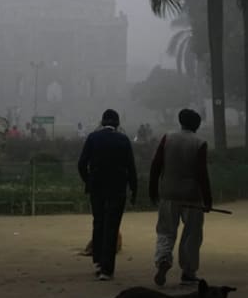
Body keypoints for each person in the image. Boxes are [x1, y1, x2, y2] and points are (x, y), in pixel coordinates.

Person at [149, 108, 212, 287]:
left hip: (168, 193)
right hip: (192, 196)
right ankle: (188, 272)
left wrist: (153, 189)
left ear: (180, 122)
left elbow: (156, 165)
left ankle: (163, 260)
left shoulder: (167, 138)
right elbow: (202, 173)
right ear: (197, 125)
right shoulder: (200, 142)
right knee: (192, 234)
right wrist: (208, 199)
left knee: (165, 231)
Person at [77, 109, 137, 281]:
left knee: (99, 222)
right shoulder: (123, 140)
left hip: (97, 187)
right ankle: (107, 268)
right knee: (112, 225)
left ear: (102, 122)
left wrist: (88, 180)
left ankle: (98, 261)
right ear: (118, 124)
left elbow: (81, 164)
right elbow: (131, 167)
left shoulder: (93, 138)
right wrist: (133, 189)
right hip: (117, 188)